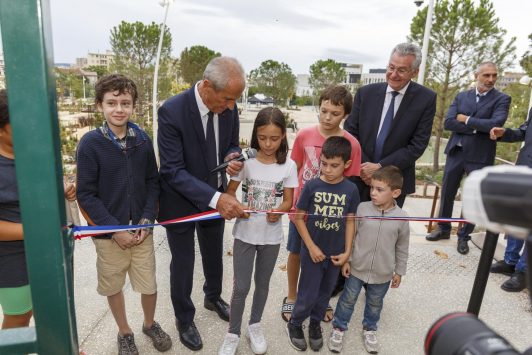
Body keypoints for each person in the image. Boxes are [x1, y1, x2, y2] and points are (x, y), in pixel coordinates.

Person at [157, 57, 250, 351]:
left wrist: (233, 158)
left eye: (235, 100)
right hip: (181, 201)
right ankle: (184, 318)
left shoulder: (227, 107)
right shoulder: (171, 111)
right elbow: (172, 171)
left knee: (213, 253)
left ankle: (213, 296)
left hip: (215, 197)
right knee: (183, 263)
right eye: (227, 99)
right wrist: (217, 198)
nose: (231, 107)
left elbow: (232, 144)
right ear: (207, 87)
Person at [76, 74, 171, 354]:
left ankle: (149, 323)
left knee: (148, 283)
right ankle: (124, 331)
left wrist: (146, 220)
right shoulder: (90, 144)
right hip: (109, 237)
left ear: (133, 106)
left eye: (125, 103)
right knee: (113, 284)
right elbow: (86, 194)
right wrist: (113, 229)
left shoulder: (142, 139)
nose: (119, 109)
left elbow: (153, 182)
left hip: (141, 232)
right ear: (100, 106)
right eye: (112, 103)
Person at [218, 107, 298, 355]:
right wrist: (238, 208)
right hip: (245, 234)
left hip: (271, 238)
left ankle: (255, 325)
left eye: (274, 138)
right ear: (255, 134)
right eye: (262, 137)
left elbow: (288, 201)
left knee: (262, 285)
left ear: (283, 135)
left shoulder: (288, 165)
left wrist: (280, 211)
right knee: (240, 287)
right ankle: (233, 333)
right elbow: (230, 194)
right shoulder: (246, 161)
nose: (268, 143)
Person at [281, 85, 361, 324]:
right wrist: (287, 201)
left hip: (331, 215)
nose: (327, 117)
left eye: (334, 113)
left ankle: (321, 300)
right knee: (296, 252)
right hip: (301, 211)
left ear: (345, 115)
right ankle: (293, 296)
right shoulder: (304, 135)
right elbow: (293, 169)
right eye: (323, 111)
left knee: (327, 259)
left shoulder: (352, 145)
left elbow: (350, 183)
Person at [426, 61, 511, 255]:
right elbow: (448, 123)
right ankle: (443, 229)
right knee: (447, 192)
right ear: (476, 76)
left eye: (494, 75)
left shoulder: (502, 98)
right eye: (486, 75)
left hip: (481, 155)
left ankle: (464, 237)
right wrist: (478, 127)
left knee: (472, 198)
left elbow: (496, 123)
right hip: (457, 152)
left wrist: (466, 120)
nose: (491, 79)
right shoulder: (461, 96)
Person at [286, 136, 360, 352]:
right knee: (307, 293)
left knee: (325, 293)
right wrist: (310, 247)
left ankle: (315, 324)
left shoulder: (351, 190)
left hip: (335, 254)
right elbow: (298, 218)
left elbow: (350, 222)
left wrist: (347, 253)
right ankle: (296, 323)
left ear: (346, 165)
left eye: (334, 165)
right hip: (313, 252)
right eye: (324, 164)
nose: (328, 169)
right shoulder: (311, 186)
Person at [344, 42, 437, 208]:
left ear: (415, 72)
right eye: (391, 68)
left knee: (384, 233)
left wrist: (379, 169)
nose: (393, 74)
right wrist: (365, 168)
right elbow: (350, 133)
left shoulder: (426, 99)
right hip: (358, 177)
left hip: (393, 184)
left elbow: (417, 145)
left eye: (401, 70)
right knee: (350, 231)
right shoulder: (365, 93)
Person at [328, 166, 410, 354]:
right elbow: (351, 236)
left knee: (375, 303)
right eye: (372, 187)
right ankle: (339, 328)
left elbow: (402, 247)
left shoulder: (402, 218)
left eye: (380, 190)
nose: (373, 192)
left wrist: (399, 271)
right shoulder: (362, 208)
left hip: (383, 273)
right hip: (357, 268)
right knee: (347, 300)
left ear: (395, 192)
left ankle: (370, 329)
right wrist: (347, 259)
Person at [488, 107, 531, 292]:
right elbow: (524, 131)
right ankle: (510, 262)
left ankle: (524, 272)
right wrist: (504, 133)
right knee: (516, 215)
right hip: (524, 168)